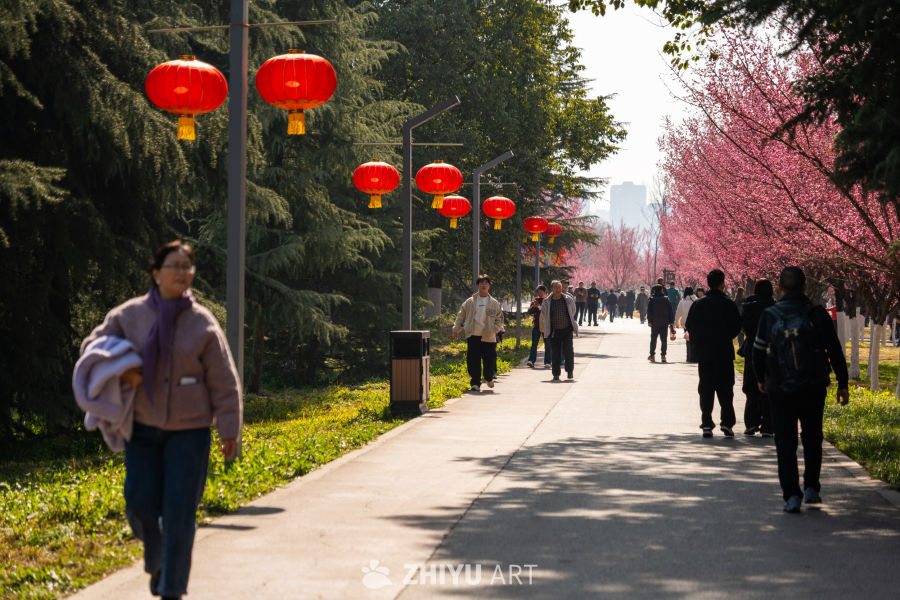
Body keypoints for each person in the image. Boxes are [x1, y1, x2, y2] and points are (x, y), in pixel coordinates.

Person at [79, 241, 242, 600]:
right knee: (139, 504)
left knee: (180, 512)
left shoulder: (202, 322)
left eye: (188, 267)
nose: (183, 273)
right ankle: (157, 556)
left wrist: (229, 430)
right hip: (143, 429)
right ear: (156, 272)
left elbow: (224, 381)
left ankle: (172, 589)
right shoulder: (129, 315)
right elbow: (94, 350)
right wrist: (124, 374)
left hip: (191, 432)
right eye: (175, 266)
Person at [752, 267, 849, 513]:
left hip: (780, 387)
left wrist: (760, 378)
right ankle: (812, 488)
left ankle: (791, 496)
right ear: (804, 287)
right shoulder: (816, 313)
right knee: (812, 436)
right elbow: (834, 350)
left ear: (780, 288)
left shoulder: (770, 315)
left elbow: (757, 350)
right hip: (813, 385)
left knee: (785, 441)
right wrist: (843, 383)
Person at [685, 269, 742, 438]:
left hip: (705, 353)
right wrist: (725, 336)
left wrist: (699, 340)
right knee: (726, 389)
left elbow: (690, 325)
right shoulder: (728, 304)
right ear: (722, 283)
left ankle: (707, 423)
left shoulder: (699, 304)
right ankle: (727, 422)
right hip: (723, 352)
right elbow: (736, 326)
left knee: (706, 388)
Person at [453, 274, 504, 392]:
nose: (484, 285)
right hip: (473, 334)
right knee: (473, 360)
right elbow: (461, 316)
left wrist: (495, 329)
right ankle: (475, 383)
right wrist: (456, 330)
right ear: (477, 285)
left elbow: (500, 318)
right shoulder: (470, 301)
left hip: (489, 335)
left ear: (489, 286)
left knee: (489, 359)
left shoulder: (494, 302)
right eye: (481, 283)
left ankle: (489, 377)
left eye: (486, 283)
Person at [739, 279, 775, 437]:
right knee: (768, 385)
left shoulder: (748, 306)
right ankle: (767, 425)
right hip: (770, 349)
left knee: (751, 386)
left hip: (752, 347)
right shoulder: (774, 307)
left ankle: (751, 422)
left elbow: (743, 326)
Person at [540, 280, 578, 381]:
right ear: (552, 289)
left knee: (568, 351)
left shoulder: (567, 299)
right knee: (555, 353)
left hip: (567, 330)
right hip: (554, 332)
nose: (558, 289)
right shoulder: (547, 302)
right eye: (556, 287)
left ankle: (570, 371)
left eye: (559, 287)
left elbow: (573, 311)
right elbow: (544, 314)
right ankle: (556, 374)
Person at [647, 285, 674, 362]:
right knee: (664, 340)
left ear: (654, 291)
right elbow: (670, 311)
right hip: (664, 323)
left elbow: (649, 312)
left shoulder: (652, 300)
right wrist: (671, 321)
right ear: (662, 290)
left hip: (654, 323)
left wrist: (649, 321)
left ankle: (652, 355)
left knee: (653, 339)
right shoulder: (666, 299)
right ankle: (663, 356)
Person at [526, 285, 549, 368]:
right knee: (534, 343)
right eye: (538, 292)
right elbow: (530, 311)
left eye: (541, 292)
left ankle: (547, 361)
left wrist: (539, 307)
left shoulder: (548, 300)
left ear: (545, 291)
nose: (539, 294)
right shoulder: (535, 300)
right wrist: (534, 307)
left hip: (546, 325)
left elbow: (547, 311)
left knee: (547, 344)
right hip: (536, 325)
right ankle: (531, 360)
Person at [674, 286, 699, 363]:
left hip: (686, 324)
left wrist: (676, 323)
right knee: (696, 341)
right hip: (696, 324)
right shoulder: (697, 300)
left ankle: (689, 357)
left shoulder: (683, 302)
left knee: (688, 341)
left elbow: (678, 313)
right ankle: (695, 357)